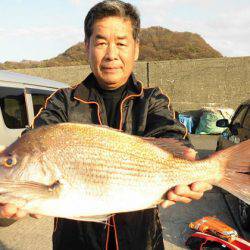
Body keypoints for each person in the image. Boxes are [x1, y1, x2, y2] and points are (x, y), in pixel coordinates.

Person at [0, 1, 212, 249]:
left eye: (121, 43)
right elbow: (32, 142)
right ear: (87, 46)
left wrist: (195, 173)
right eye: (101, 42)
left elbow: (174, 140)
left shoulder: (152, 101)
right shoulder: (61, 102)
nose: (112, 54)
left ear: (135, 49)